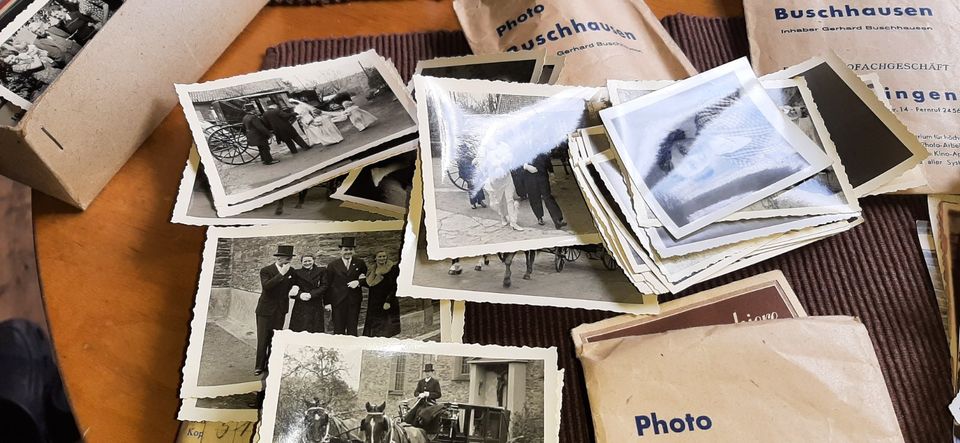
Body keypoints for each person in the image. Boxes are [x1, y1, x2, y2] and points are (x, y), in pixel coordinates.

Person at [254, 245, 297, 375]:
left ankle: (271, 364)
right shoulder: (266, 270)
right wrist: (281, 274)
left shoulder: (291, 271)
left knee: (275, 338)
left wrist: (295, 287)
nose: (288, 261)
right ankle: (259, 366)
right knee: (263, 339)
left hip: (280, 309)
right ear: (279, 258)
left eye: (290, 259)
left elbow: (296, 282)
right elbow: (267, 286)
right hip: (265, 310)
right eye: (286, 258)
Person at [322, 237, 367, 336]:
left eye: (350, 249)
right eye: (345, 249)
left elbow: (368, 279)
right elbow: (327, 285)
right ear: (341, 250)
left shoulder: (360, 263)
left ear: (353, 250)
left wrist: (358, 282)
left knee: (352, 328)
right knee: (338, 329)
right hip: (337, 301)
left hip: (354, 301)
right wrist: (327, 302)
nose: (348, 252)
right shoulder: (332, 265)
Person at [521, 152, 566, 230]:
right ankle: (539, 217)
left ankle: (557, 220)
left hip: (542, 175)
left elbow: (546, 158)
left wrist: (551, 171)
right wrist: (525, 166)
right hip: (529, 178)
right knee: (534, 198)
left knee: (548, 197)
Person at [362, 251, 400, 337]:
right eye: (379, 256)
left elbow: (395, 286)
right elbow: (370, 283)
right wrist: (359, 282)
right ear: (375, 258)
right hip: (374, 300)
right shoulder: (373, 269)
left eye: (384, 256)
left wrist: (388, 301)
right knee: (374, 323)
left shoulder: (392, 269)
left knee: (385, 325)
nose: (382, 258)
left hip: (386, 300)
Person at [288, 254, 328, 333]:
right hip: (301, 304)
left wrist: (311, 294)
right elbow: (291, 288)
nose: (307, 263)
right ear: (301, 262)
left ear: (313, 261)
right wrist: (300, 295)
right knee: (300, 328)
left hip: (315, 303)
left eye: (309, 261)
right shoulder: (296, 272)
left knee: (315, 328)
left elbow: (324, 286)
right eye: (305, 261)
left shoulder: (322, 270)